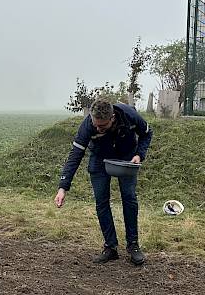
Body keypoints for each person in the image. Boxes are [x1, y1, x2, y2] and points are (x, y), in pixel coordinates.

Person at [54, 99, 153, 266]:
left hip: (126, 157)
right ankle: (110, 247)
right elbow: (75, 156)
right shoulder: (87, 126)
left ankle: (133, 246)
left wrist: (139, 155)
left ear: (112, 118)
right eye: (96, 125)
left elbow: (147, 133)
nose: (98, 128)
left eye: (103, 126)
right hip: (99, 159)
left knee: (129, 198)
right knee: (101, 201)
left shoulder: (129, 115)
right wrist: (63, 187)